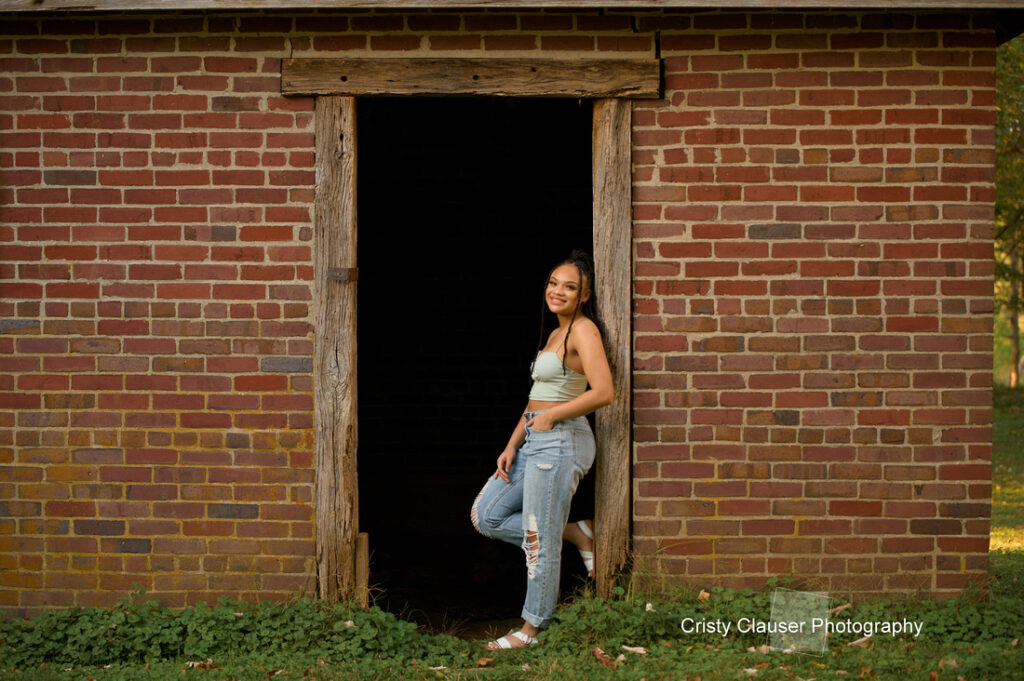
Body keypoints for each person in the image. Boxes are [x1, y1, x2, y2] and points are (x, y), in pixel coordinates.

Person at [469, 250, 614, 650]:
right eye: (553, 283)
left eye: (570, 287)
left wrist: (553, 417)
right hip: (535, 439)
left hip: (562, 439)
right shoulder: (555, 333)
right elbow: (538, 397)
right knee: (487, 515)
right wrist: (513, 442)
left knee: (537, 539)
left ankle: (532, 629)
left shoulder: (584, 330)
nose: (558, 291)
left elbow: (603, 392)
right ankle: (576, 533)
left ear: (584, 295)